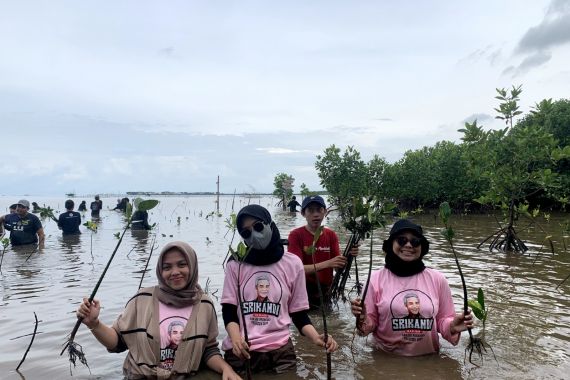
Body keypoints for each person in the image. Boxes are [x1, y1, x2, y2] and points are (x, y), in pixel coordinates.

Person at [76, 241, 241, 379]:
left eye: (182, 265)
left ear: (192, 266)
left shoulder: (205, 305)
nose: (175, 272)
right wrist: (95, 324)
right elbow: (118, 342)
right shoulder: (141, 300)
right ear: (160, 271)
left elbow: (208, 350)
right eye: (167, 267)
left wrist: (226, 369)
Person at [221, 205, 338, 374]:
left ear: (270, 223)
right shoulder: (236, 264)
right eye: (246, 232)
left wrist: (316, 337)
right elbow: (229, 310)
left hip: (281, 353)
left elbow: (298, 314)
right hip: (242, 351)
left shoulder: (292, 264)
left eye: (258, 226)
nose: (254, 234)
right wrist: (236, 339)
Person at [350, 219, 473, 356]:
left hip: (429, 359)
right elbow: (366, 328)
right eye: (402, 240)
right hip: (386, 358)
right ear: (391, 244)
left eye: (415, 242)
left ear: (421, 247)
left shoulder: (437, 279)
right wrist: (361, 318)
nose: (408, 245)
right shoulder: (375, 279)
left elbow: (443, 320)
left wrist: (452, 326)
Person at [287, 195, 358, 308]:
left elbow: (337, 267)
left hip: (326, 291)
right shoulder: (295, 235)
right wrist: (328, 263)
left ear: (325, 212)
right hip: (303, 292)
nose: (316, 214)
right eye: (310, 210)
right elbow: (295, 270)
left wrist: (348, 256)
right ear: (303, 213)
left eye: (319, 210)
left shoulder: (331, 235)